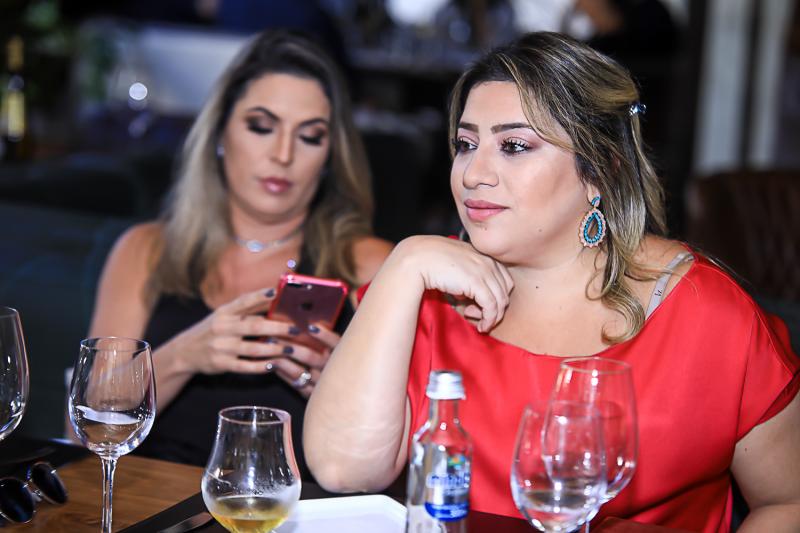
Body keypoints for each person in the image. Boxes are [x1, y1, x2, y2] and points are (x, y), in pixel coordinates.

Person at [303, 32, 800, 531]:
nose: (473, 174)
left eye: (514, 146)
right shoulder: (424, 297)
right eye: (466, 144)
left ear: (600, 170)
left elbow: (788, 502)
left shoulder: (705, 314)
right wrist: (405, 263)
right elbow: (343, 470)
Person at [84, 30, 393, 476]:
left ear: (329, 157)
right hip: (152, 503)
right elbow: (85, 432)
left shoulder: (369, 265)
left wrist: (339, 392)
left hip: (295, 507)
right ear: (220, 133)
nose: (283, 154)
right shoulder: (146, 250)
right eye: (261, 127)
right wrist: (184, 355)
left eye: (310, 136)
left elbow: (397, 461)